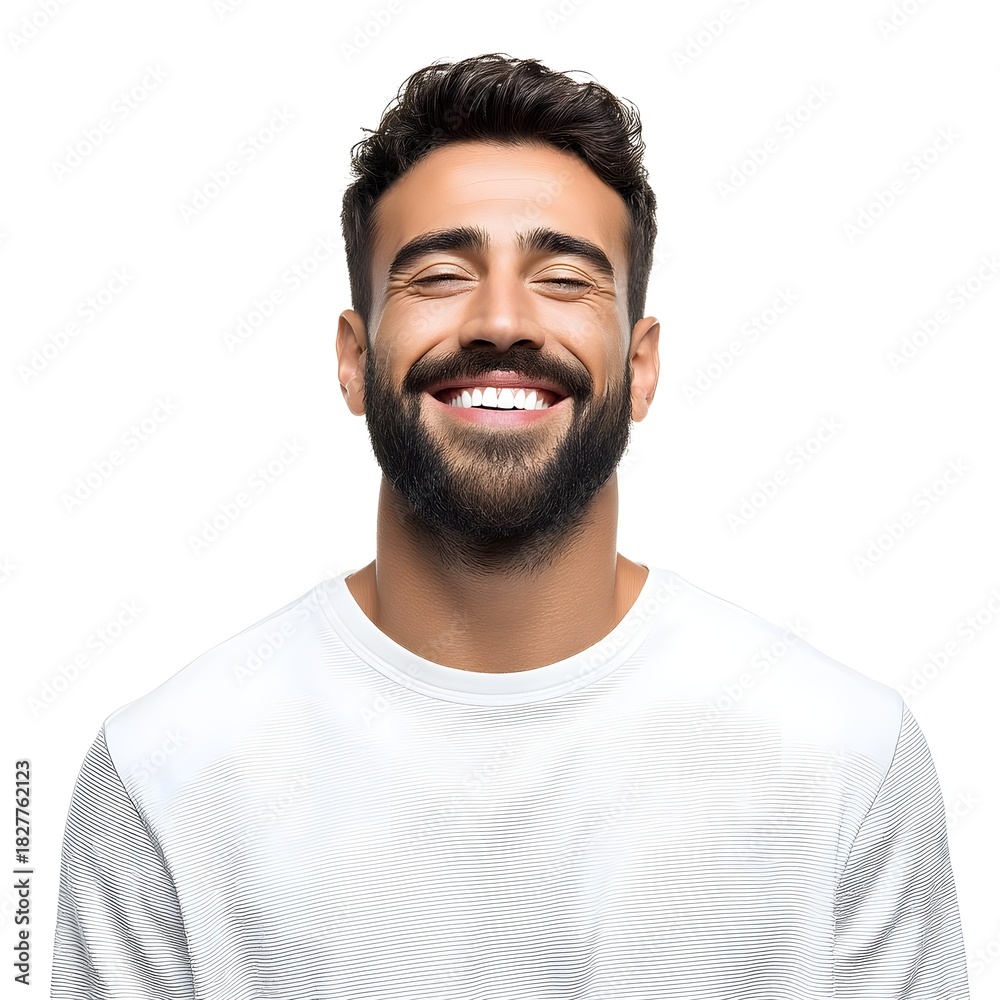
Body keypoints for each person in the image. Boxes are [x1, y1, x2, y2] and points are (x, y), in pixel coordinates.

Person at [51, 53, 969, 998]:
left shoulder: (842, 760)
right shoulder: (166, 776)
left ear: (641, 366)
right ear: (355, 361)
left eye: (564, 278)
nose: (500, 320)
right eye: (441, 273)